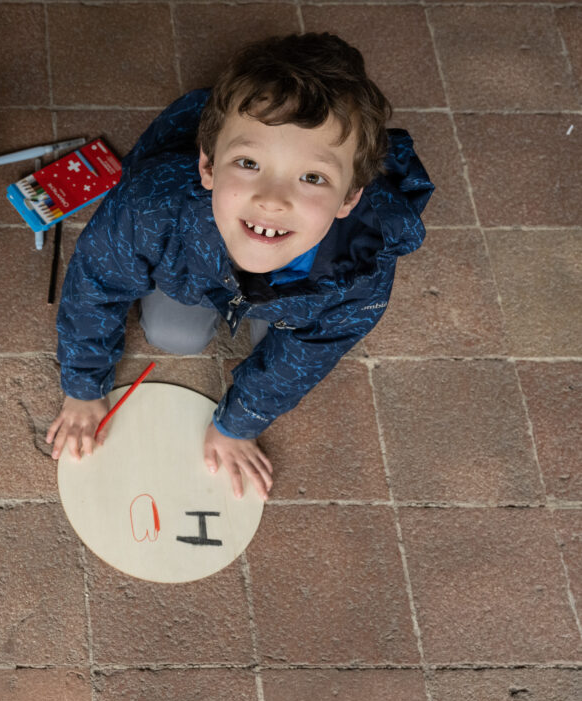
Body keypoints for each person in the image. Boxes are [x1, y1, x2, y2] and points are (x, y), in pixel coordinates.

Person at [46, 33, 433, 499]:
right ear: (207, 166)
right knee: (175, 335)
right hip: (191, 259)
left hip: (294, 292)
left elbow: (307, 357)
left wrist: (237, 426)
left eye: (312, 177)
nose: (271, 200)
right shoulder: (150, 207)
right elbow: (96, 282)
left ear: (350, 197)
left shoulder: (360, 273)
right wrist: (84, 386)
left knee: (284, 342)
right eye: (248, 162)